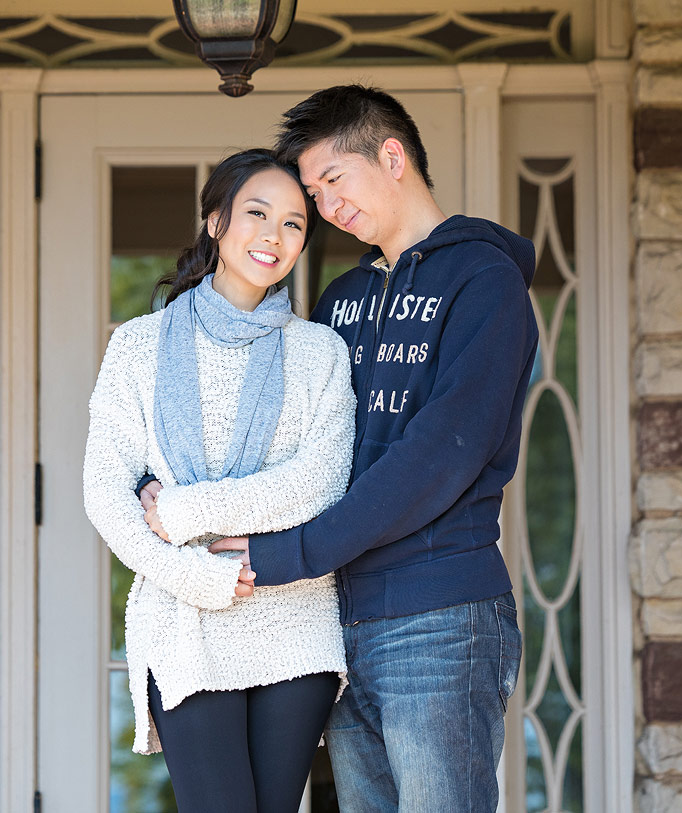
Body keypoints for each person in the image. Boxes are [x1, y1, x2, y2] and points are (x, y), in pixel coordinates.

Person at [177, 85, 539, 811]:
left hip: (440, 615)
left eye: (333, 181)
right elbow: (291, 439)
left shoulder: (483, 282)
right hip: (337, 625)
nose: (327, 207)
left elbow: (437, 456)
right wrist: (177, 495)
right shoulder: (339, 300)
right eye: (314, 194)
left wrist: (287, 553)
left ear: (393, 155)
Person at [82, 148, 357, 813]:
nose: (273, 236)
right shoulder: (138, 347)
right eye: (257, 214)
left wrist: (182, 510)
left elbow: (318, 484)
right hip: (184, 620)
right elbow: (105, 493)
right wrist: (195, 576)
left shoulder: (318, 350)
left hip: (295, 618)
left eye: (294, 224)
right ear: (215, 221)